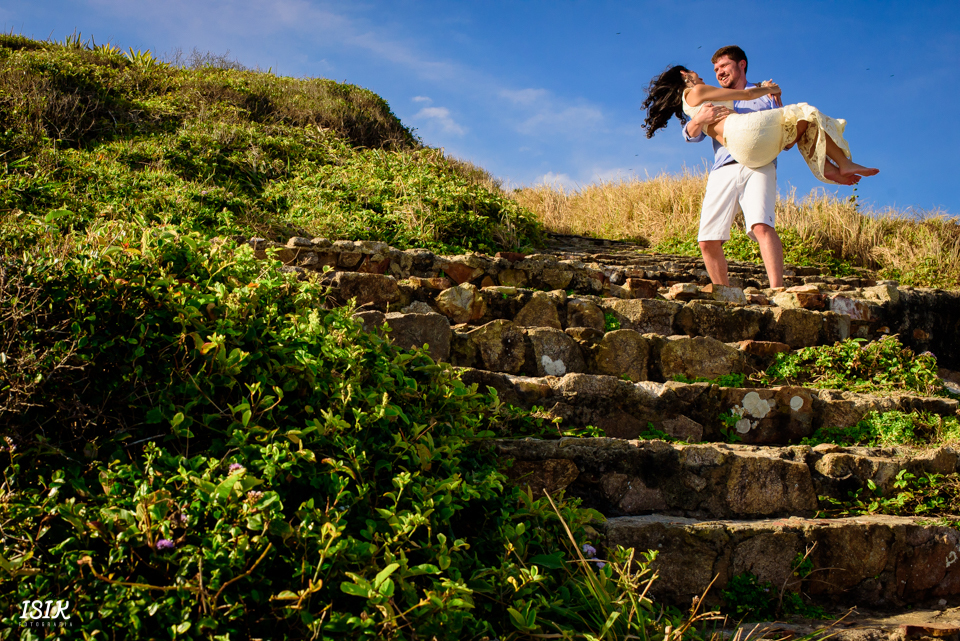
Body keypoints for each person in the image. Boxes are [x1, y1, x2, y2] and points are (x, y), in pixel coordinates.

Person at [641, 46, 877, 288]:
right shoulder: (712, 95)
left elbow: (783, 140)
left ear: (741, 64)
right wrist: (700, 119)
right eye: (715, 69)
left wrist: (775, 99)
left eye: (723, 66)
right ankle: (723, 293)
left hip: (761, 163)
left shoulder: (759, 95)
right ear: (686, 77)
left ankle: (777, 288)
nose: (717, 72)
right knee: (707, 240)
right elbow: (690, 135)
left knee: (762, 225)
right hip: (725, 166)